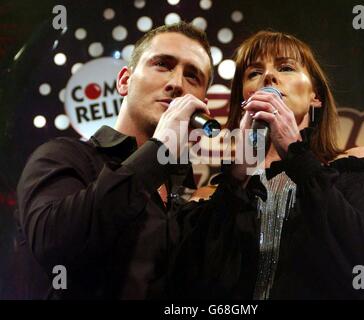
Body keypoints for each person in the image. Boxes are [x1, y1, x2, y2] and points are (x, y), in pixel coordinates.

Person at [14, 21, 238, 299]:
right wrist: (159, 152)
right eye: (163, 65)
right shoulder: (63, 157)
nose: (176, 83)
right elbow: (54, 244)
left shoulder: (183, 194)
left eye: (193, 76)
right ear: (124, 81)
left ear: (203, 102)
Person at [176, 30, 364, 299]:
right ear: (243, 100)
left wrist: (297, 154)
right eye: (254, 73)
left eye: (286, 67)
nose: (268, 77)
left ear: (315, 95)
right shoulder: (220, 192)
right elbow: (191, 284)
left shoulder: (351, 166)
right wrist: (237, 174)